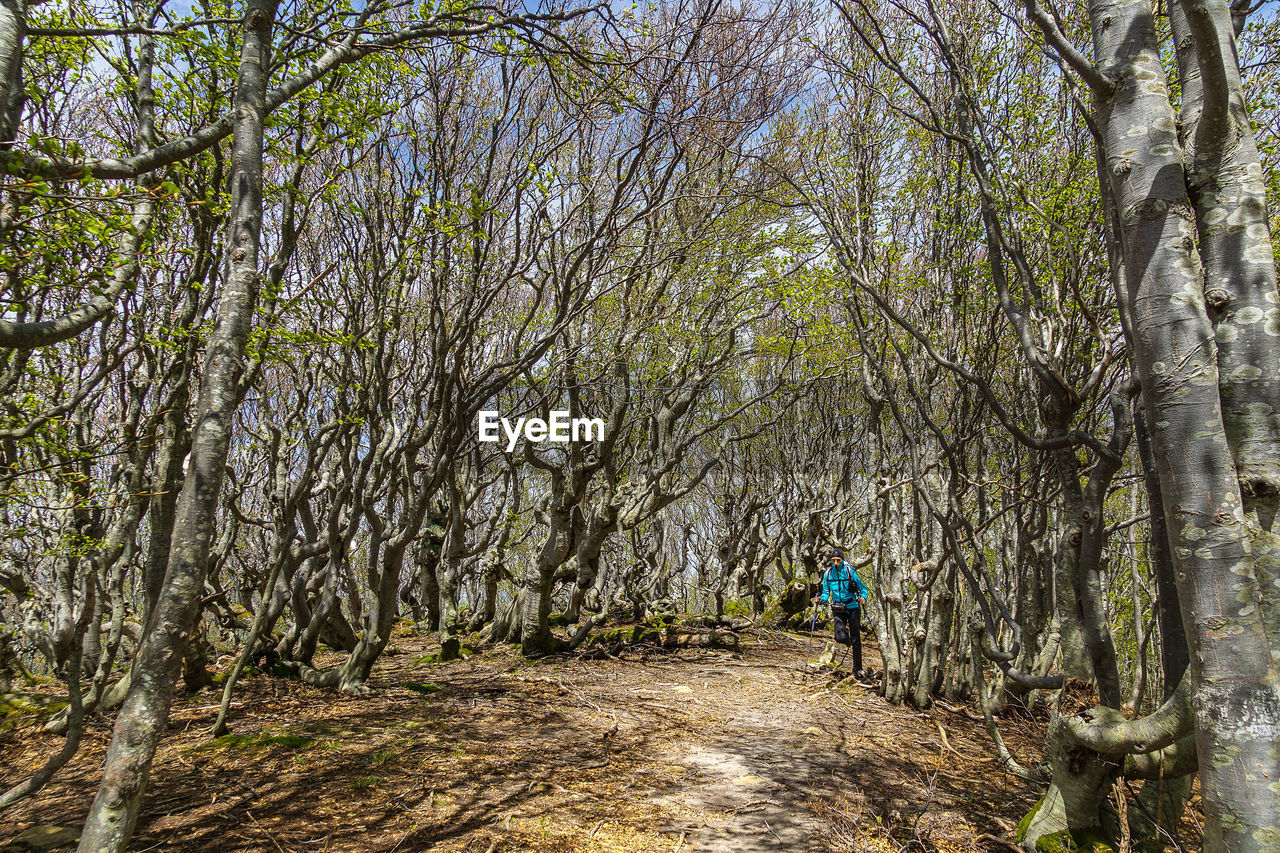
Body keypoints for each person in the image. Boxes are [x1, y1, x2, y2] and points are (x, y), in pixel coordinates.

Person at [812, 546, 870, 676]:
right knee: (839, 636)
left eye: (838, 560)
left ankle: (857, 669)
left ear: (842, 560)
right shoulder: (828, 574)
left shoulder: (849, 571)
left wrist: (863, 598)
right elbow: (826, 593)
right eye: (833, 560)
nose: (836, 563)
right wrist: (820, 599)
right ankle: (847, 640)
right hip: (838, 608)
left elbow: (863, 588)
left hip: (853, 607)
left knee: (856, 639)